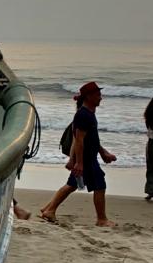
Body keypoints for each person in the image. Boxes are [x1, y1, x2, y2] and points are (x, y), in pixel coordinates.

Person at [39, 81, 116, 226]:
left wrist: (103, 152)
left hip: (87, 157)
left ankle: (49, 209)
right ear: (88, 96)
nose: (101, 98)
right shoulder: (83, 115)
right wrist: (78, 162)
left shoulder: (88, 114)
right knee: (99, 184)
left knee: (72, 184)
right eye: (98, 95)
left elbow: (91, 139)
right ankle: (101, 219)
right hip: (86, 159)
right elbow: (79, 140)